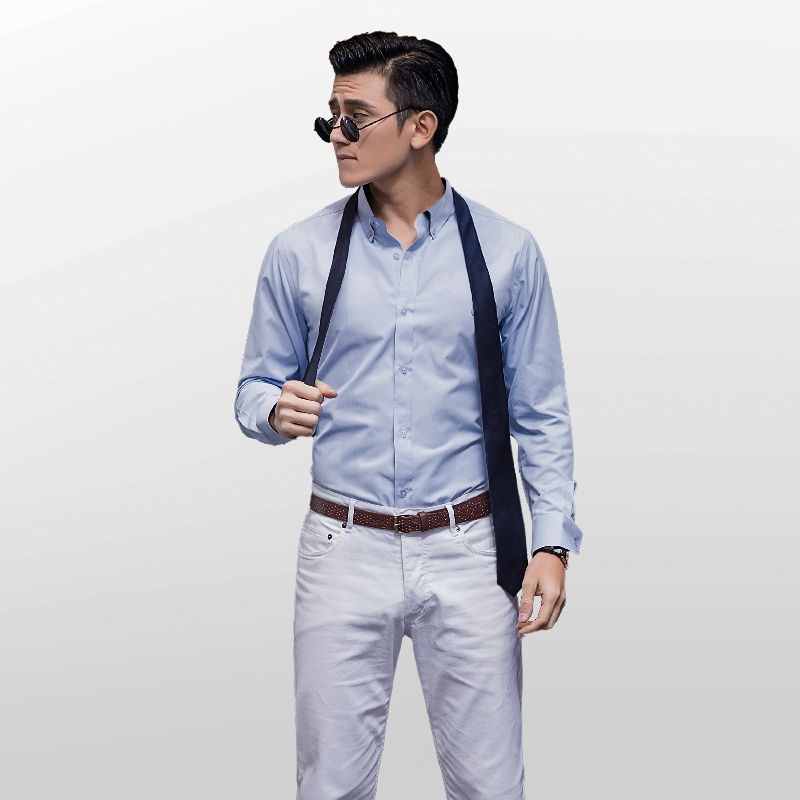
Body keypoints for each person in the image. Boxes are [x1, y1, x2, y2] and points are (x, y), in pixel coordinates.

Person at [235, 30, 584, 800]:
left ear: (421, 126)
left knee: (490, 787)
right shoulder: (298, 252)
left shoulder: (507, 252)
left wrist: (552, 543)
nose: (337, 134)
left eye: (355, 117)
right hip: (342, 547)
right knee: (329, 787)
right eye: (330, 116)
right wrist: (274, 408)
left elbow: (542, 413)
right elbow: (254, 388)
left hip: (470, 551)